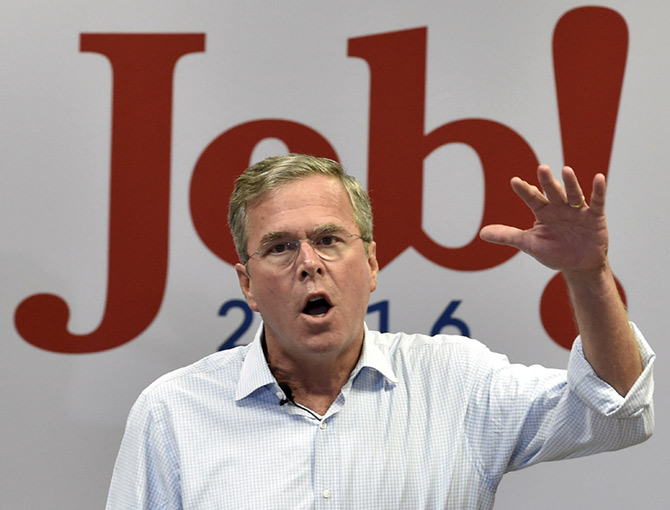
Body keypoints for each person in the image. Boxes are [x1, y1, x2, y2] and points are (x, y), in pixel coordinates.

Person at [106, 154, 654, 509]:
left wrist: (588, 276)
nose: (308, 263)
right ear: (247, 284)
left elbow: (615, 412)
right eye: (279, 247)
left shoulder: (455, 381)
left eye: (328, 239)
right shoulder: (174, 413)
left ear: (370, 264)